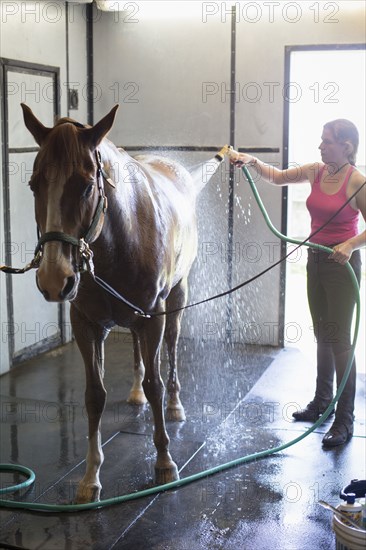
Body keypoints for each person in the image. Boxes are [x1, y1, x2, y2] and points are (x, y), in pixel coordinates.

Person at [230, 119, 366, 447]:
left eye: (327, 141)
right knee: (321, 334)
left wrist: (348, 245)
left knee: (339, 340)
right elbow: (277, 177)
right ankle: (322, 403)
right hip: (315, 261)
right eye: (321, 140)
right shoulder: (315, 171)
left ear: (346, 146)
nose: (320, 146)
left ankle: (344, 419)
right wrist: (252, 161)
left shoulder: (357, 181)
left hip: (342, 267)